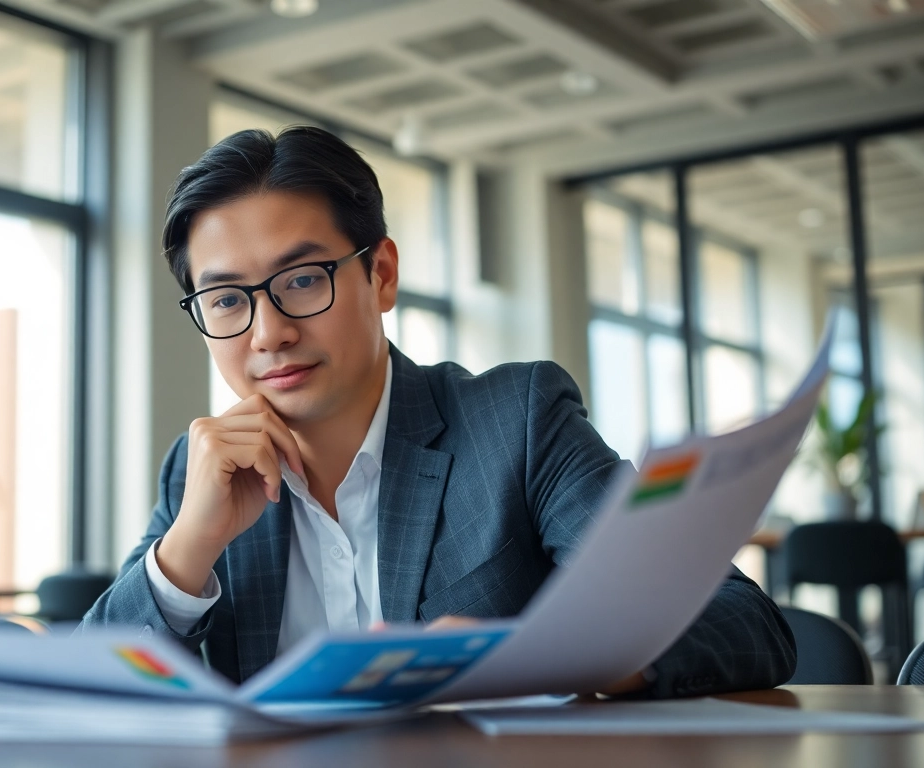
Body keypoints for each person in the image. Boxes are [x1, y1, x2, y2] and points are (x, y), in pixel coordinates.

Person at [82, 126, 796, 697]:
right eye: (228, 300)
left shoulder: (516, 423)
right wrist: (185, 554)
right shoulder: (198, 473)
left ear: (382, 274)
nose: (268, 332)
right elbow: (94, 685)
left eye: (302, 280)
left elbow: (738, 620)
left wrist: (529, 656)